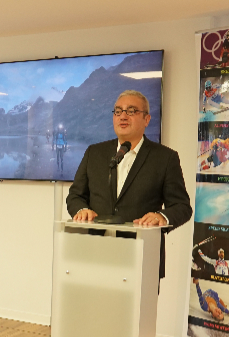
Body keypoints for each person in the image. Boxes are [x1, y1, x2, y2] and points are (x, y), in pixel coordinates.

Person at [67, 90, 192, 278]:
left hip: (141, 258)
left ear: (146, 119)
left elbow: (182, 206)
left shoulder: (165, 158)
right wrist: (81, 209)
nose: (123, 116)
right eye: (118, 111)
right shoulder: (95, 153)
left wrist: (161, 216)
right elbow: (75, 196)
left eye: (131, 111)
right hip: (94, 254)